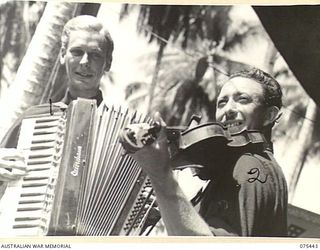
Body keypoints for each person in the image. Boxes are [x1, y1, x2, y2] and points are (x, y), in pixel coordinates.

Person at [127, 68, 288, 236]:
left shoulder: (249, 165)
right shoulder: (243, 166)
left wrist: (160, 174)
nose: (228, 109)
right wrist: (166, 209)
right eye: (222, 102)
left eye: (242, 99)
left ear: (269, 115)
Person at [0, 15, 114, 197]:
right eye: (77, 52)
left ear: (107, 63)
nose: (85, 62)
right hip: (28, 224)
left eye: (95, 55)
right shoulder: (33, 119)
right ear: (62, 55)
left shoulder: (119, 130)